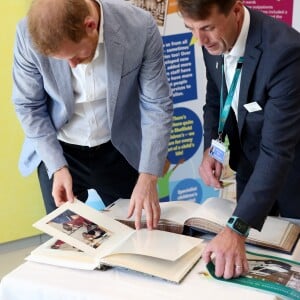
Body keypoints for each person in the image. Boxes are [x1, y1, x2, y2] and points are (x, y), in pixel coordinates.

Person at [12, 0, 173, 230]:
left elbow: (156, 104)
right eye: (63, 60)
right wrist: (57, 167)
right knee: (67, 243)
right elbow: (29, 106)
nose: (73, 66)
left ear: (90, 26)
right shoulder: (27, 34)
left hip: (120, 149)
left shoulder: (139, 27)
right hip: (60, 149)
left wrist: (148, 176)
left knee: (139, 236)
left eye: (75, 55)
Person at [177, 0, 300, 279]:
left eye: (207, 27)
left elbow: (277, 151)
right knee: (251, 262)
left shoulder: (285, 52)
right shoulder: (212, 42)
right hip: (250, 167)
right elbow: (216, 96)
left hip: (293, 176)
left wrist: (235, 229)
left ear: (234, 10)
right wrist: (213, 147)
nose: (200, 40)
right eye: (191, 29)